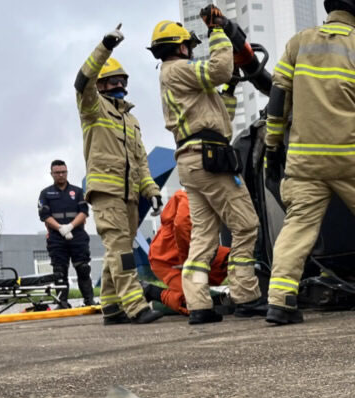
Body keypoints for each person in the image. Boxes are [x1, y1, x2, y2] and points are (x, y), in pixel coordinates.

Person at [263, 0, 355, 325]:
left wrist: (272, 146)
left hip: (305, 162)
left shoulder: (298, 43)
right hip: (353, 160)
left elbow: (277, 102)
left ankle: (280, 301)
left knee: (298, 226)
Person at [148, 16, 267, 325]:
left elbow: (220, 118)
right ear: (182, 46)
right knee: (246, 225)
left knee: (203, 236)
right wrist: (217, 33)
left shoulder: (179, 80)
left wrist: (229, 89)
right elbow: (219, 69)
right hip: (208, 156)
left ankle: (199, 304)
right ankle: (246, 297)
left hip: (194, 158)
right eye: (188, 44)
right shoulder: (178, 70)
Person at [76, 25, 163, 325]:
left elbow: (140, 160)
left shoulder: (131, 120)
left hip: (130, 194)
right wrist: (105, 46)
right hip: (105, 192)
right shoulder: (93, 109)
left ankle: (111, 307)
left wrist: (151, 190)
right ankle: (135, 304)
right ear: (100, 85)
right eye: (110, 81)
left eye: (120, 80)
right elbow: (82, 81)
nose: (116, 85)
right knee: (120, 248)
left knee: (117, 249)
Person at [144, 189, 230, 315]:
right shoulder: (187, 197)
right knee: (193, 303)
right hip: (166, 259)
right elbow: (182, 225)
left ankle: (224, 299)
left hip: (195, 250)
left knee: (232, 259)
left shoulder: (208, 196)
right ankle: (154, 293)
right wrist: (188, 260)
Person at [38, 160, 95, 307]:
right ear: (52, 174)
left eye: (63, 172)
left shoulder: (77, 192)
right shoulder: (45, 194)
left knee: (83, 268)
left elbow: (84, 212)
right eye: (57, 172)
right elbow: (44, 215)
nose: (61, 175)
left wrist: (70, 226)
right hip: (57, 238)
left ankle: (89, 301)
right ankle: (62, 303)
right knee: (59, 271)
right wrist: (60, 228)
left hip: (77, 236)